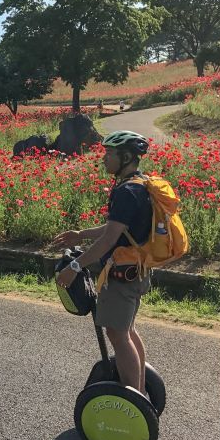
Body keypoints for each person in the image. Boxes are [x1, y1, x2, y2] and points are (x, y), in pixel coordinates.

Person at [51, 130, 152, 393]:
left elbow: (108, 242)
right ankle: (139, 391)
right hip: (136, 271)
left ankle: (134, 399)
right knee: (126, 331)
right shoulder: (139, 184)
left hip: (122, 276)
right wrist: (80, 234)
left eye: (109, 154)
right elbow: (115, 230)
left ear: (127, 156)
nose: (104, 159)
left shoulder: (126, 192)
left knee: (117, 335)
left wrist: (75, 267)